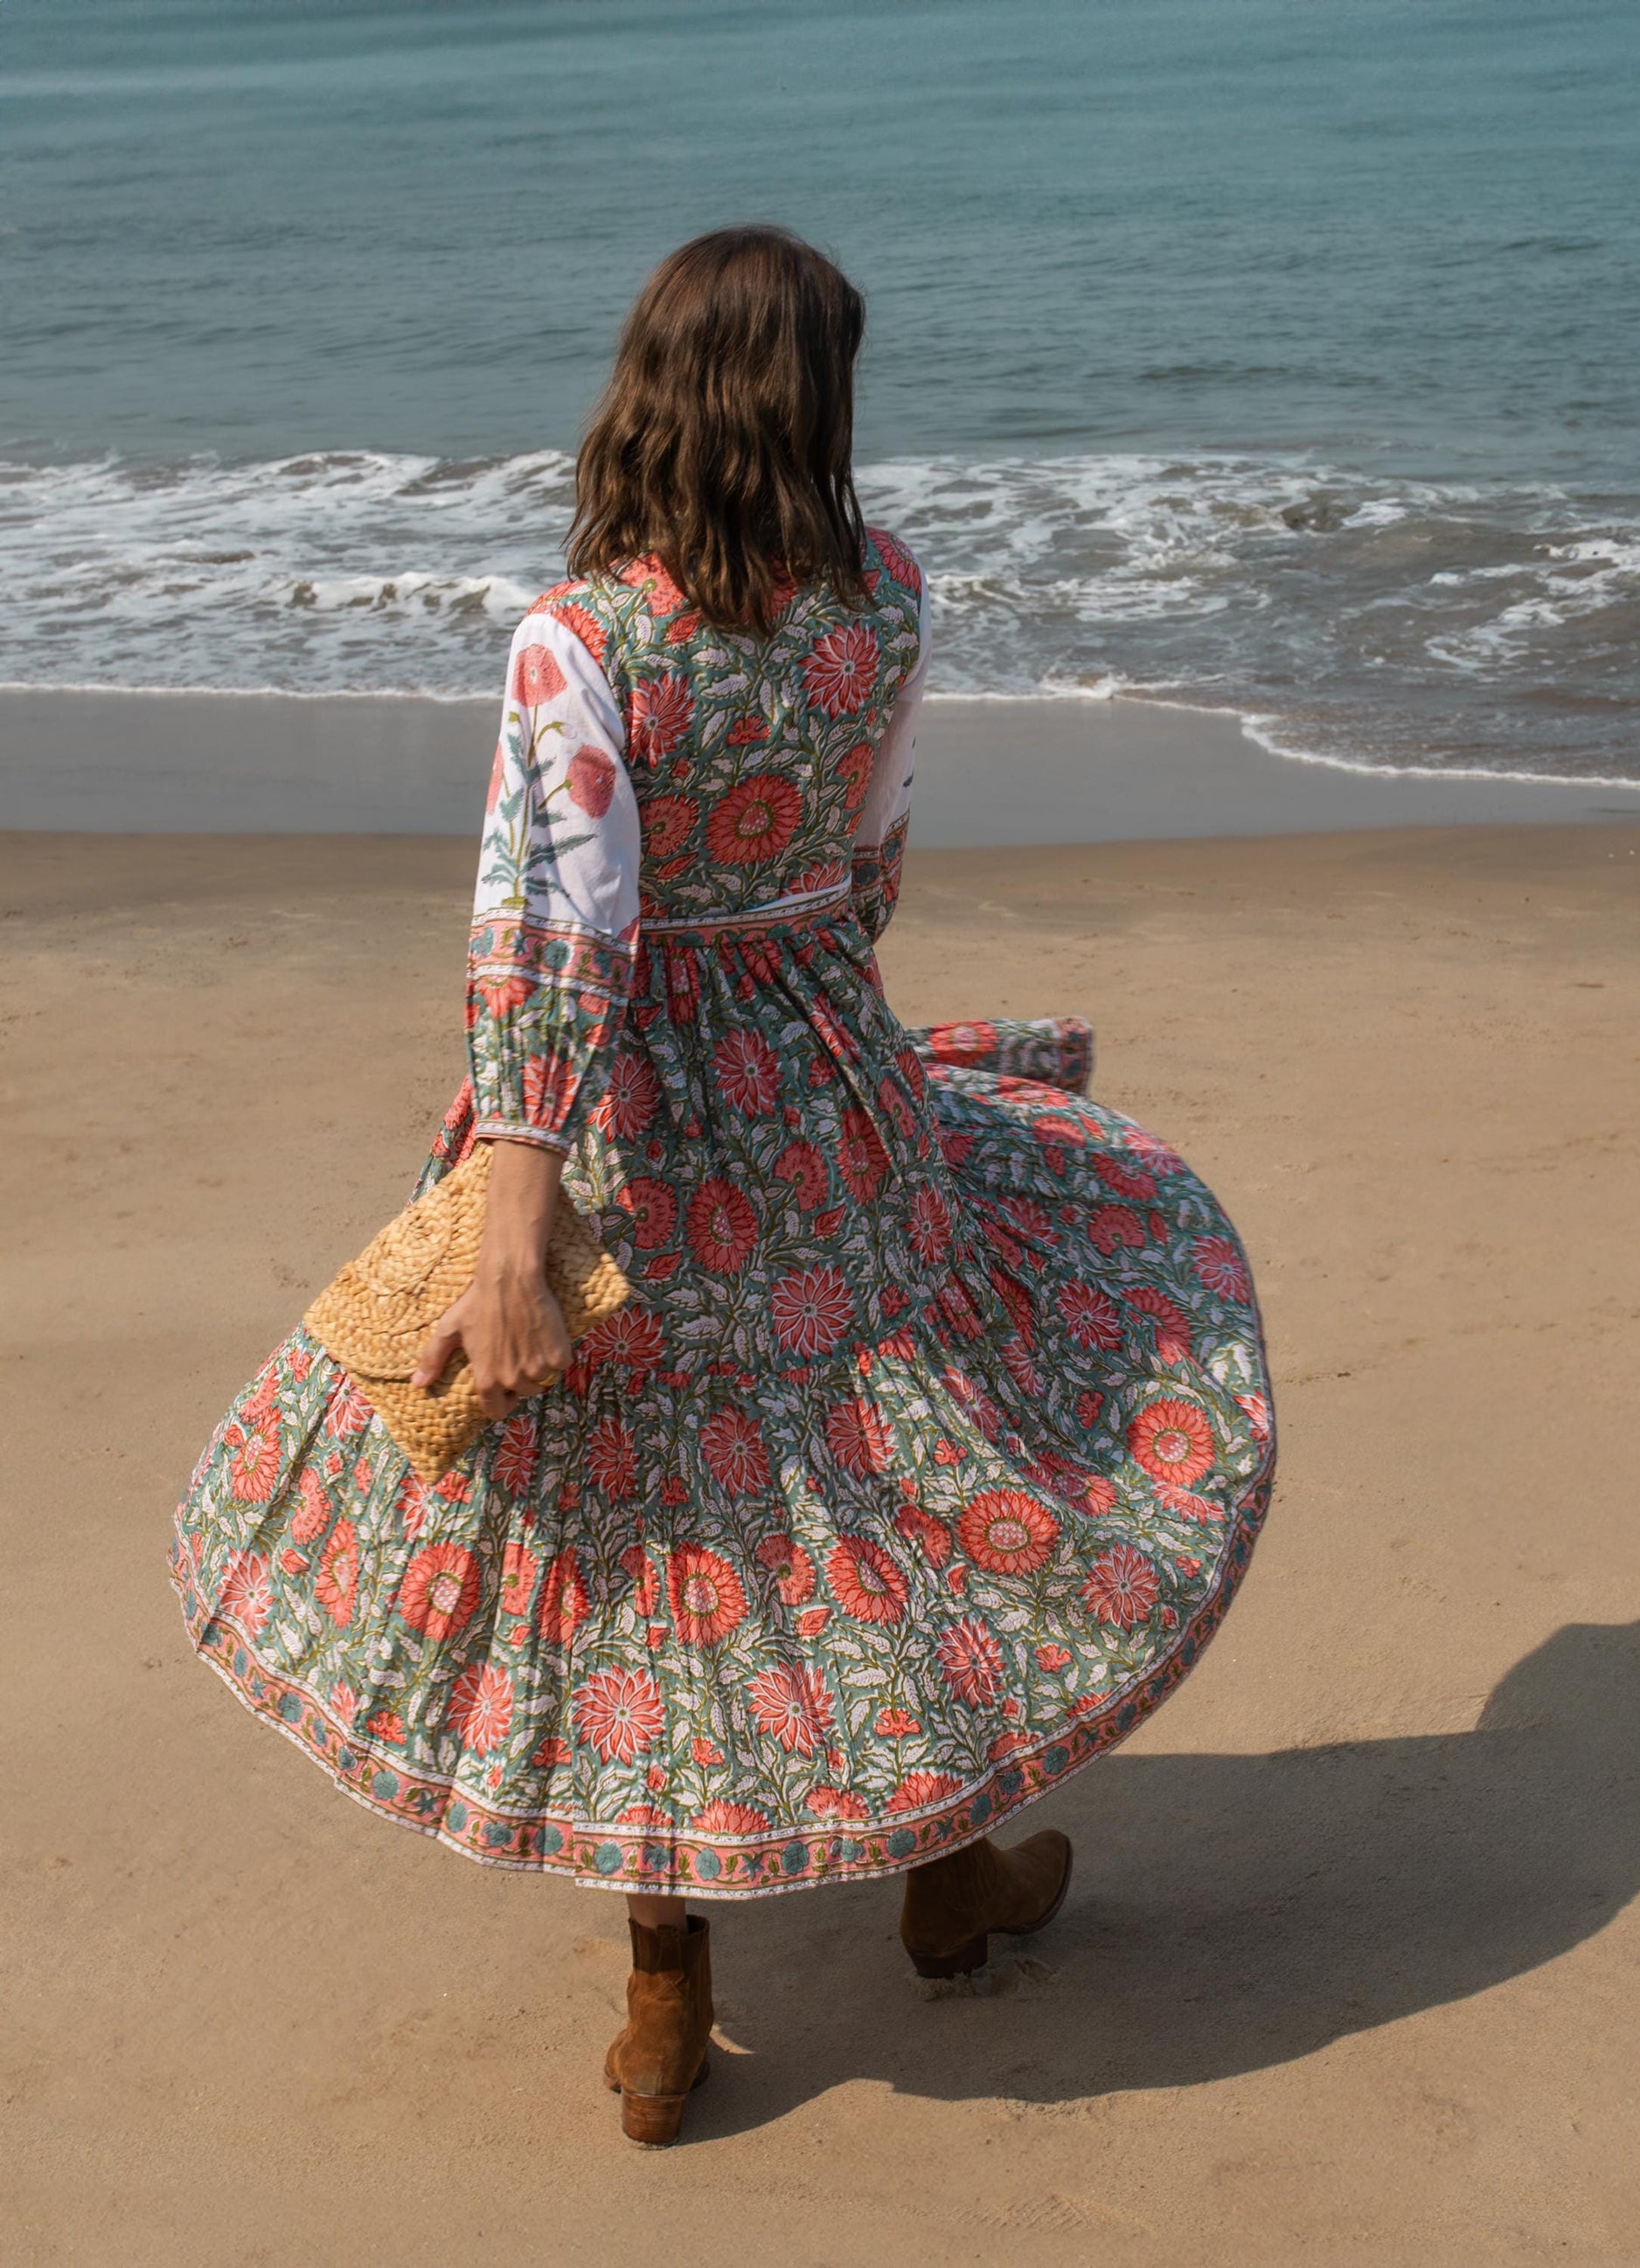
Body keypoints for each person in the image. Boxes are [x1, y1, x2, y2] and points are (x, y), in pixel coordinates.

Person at [172, 225, 1275, 2147]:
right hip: (826, 1084)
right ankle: (948, 1871)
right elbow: (865, 867)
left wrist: (516, 1228)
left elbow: (550, 937)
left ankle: (669, 1979)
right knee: (893, 1460)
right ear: (805, 403)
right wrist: (806, 1006)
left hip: (624, 1121)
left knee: (651, 1513)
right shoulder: (889, 606)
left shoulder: (581, 636)